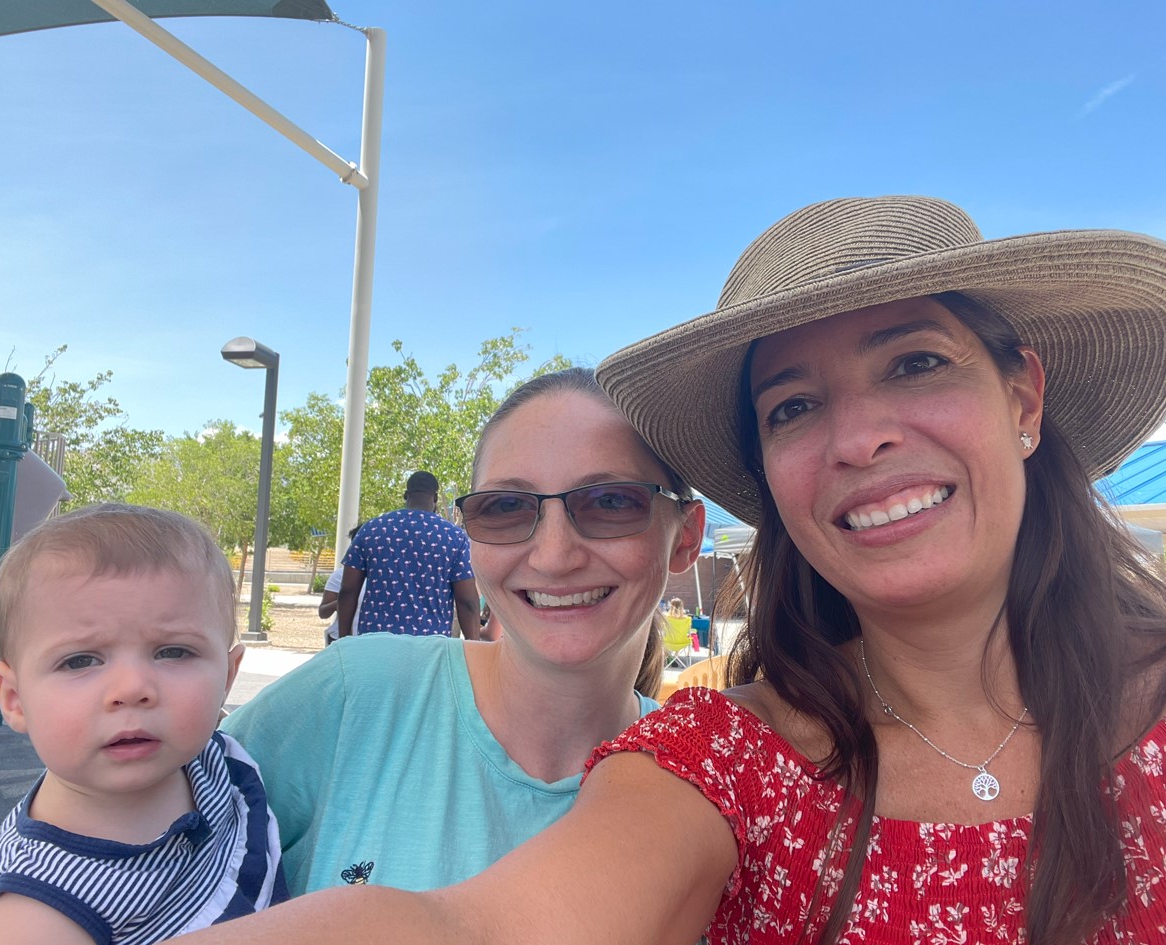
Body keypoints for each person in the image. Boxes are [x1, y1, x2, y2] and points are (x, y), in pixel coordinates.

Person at [179, 195, 1166, 945]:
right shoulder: (719, 763)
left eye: (915, 362)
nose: (859, 438)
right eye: (793, 406)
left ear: (1023, 397)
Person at [214, 367, 704, 898]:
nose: (554, 557)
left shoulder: (712, 788)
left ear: (686, 537)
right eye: (505, 507)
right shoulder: (353, 695)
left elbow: (351, 591)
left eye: (611, 501)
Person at [0, 504, 287, 945]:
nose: (132, 688)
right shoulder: (37, 912)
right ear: (15, 700)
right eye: (80, 660)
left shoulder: (216, 764)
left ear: (227, 677)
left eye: (173, 652)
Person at [335, 471, 481, 639]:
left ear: (406, 495)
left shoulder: (371, 530)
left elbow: (347, 591)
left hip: (376, 643)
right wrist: (474, 644)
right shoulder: (454, 537)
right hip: (431, 645)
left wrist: (344, 640)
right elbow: (467, 601)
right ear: (435, 498)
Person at [318, 526, 361, 645]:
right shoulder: (340, 575)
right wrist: (343, 602)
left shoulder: (384, 575)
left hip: (372, 641)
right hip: (341, 640)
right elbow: (323, 613)